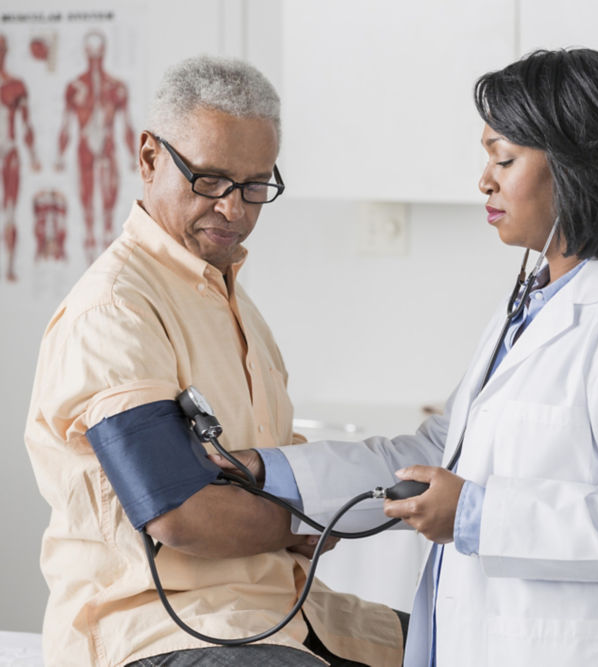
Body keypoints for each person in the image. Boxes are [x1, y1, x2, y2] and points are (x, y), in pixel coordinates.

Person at [223, 48, 598, 666]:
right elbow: (436, 455)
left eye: (504, 157)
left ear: (578, 166)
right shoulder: (527, 307)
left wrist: (476, 514)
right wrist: (266, 473)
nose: (484, 179)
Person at [25, 56, 404, 667]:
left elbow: (281, 466)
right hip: (165, 630)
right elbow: (180, 513)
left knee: (463, 636)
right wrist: (303, 525)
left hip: (284, 609)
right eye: (210, 181)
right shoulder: (115, 310)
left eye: (256, 185)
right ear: (149, 157)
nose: (236, 210)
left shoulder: (228, 298)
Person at [55, 29, 136, 264]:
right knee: (87, 197)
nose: (95, 58)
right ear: (85, 53)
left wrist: (133, 155)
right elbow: (66, 124)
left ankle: (109, 242)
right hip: (85, 147)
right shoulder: (75, 87)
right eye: (92, 53)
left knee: (110, 196)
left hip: (108, 146)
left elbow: (127, 124)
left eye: (98, 53)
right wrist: (60, 155)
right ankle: (90, 245)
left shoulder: (117, 87)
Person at [0, 32, 42, 281]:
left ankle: (9, 266)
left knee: (11, 210)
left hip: (10, 153)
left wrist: (34, 156)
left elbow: (27, 125)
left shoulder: (16, 86)